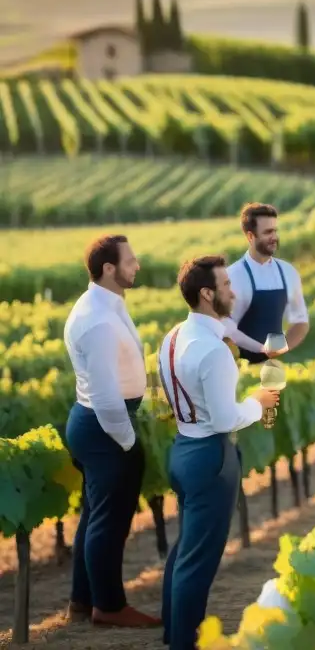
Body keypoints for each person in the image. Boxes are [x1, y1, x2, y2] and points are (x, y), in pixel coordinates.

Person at [158, 255, 280, 650]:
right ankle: (184, 642)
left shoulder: (173, 337)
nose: (233, 291)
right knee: (198, 562)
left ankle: (172, 633)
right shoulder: (214, 350)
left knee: (184, 551)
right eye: (226, 285)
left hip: (181, 449)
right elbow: (227, 419)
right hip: (210, 457)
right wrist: (258, 401)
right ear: (207, 294)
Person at [63, 234, 161, 628]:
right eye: (130, 260)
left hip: (101, 423)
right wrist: (127, 441)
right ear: (109, 268)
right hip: (105, 425)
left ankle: (83, 601)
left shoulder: (107, 306)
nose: (136, 265)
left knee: (95, 516)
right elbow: (105, 396)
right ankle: (109, 606)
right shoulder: (98, 320)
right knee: (110, 520)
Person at [223, 202, 309, 363]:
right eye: (268, 232)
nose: (274, 237)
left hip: (273, 368)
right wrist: (260, 350)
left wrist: (280, 347)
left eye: (275, 231)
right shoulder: (232, 276)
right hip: (238, 368)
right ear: (250, 236)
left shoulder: (288, 272)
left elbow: (300, 321)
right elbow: (224, 327)